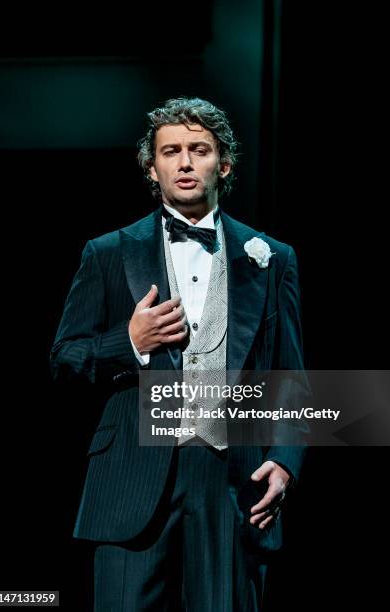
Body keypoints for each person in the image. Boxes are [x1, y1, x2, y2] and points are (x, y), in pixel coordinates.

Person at [50, 97, 306, 611]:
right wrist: (130, 342)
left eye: (199, 149)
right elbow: (64, 359)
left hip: (232, 479)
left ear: (224, 163)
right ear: (152, 166)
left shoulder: (271, 257)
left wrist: (284, 461)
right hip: (133, 478)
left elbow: (291, 375)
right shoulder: (107, 252)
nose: (185, 162)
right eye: (171, 151)